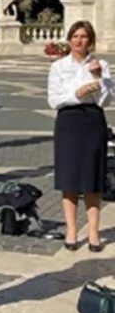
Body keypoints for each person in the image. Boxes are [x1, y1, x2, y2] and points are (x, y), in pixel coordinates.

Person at [47, 21, 111, 252]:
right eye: (75, 36)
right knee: (70, 178)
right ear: (69, 39)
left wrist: (99, 77)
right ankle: (71, 229)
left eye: (83, 36)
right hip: (69, 121)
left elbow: (106, 101)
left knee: (92, 179)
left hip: (93, 121)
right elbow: (54, 100)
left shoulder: (101, 64)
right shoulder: (59, 67)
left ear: (90, 40)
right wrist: (77, 94)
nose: (79, 40)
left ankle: (93, 231)